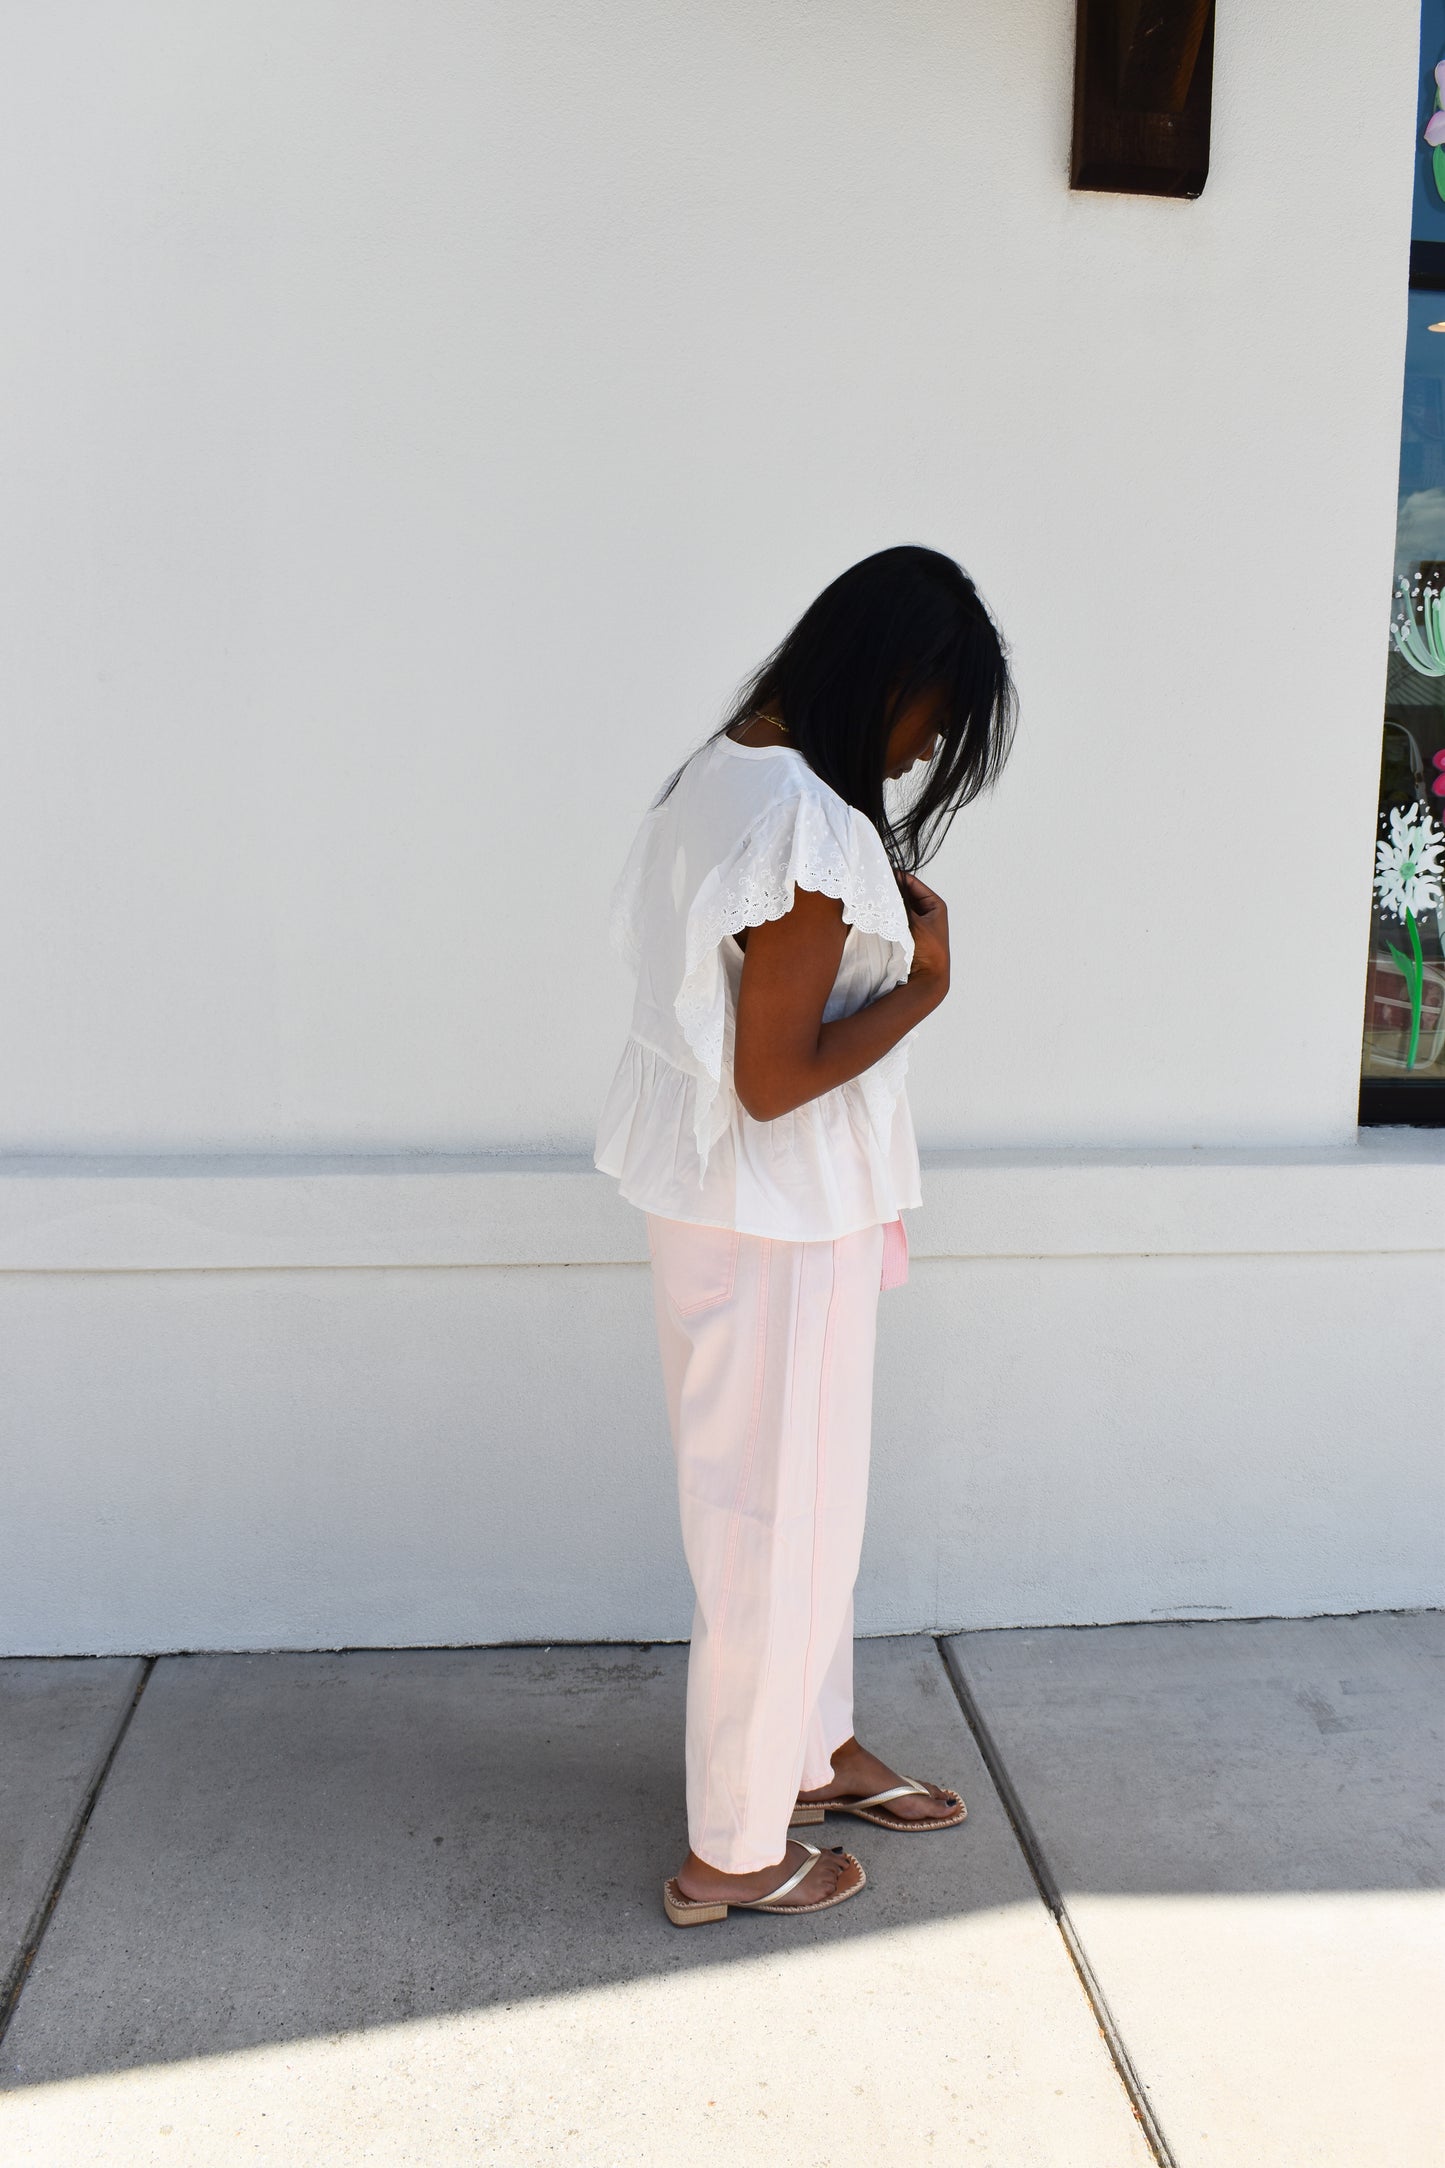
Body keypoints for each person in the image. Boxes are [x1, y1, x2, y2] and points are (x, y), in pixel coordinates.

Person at [594, 544, 1017, 1925]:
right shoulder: (803, 830)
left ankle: (811, 1751)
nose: (924, 755)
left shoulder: (726, 772)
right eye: (934, 724)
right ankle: (731, 1847)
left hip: (737, 1208)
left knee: (795, 1508)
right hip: (775, 1215)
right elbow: (775, 1078)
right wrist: (925, 990)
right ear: (892, 678)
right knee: (773, 1525)